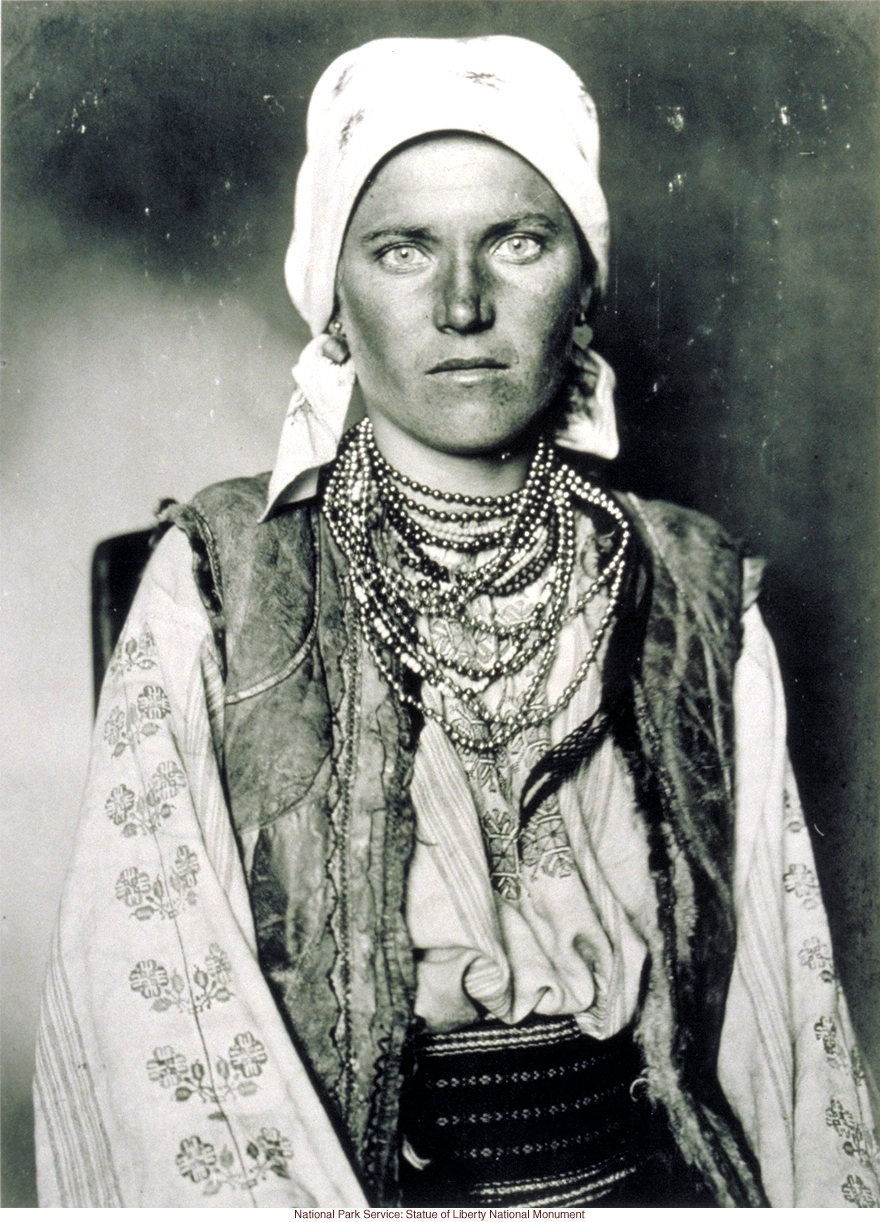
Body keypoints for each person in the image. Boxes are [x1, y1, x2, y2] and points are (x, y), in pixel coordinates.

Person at [35, 35, 879, 1208]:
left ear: (583, 287)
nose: (465, 304)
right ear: (333, 300)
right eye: (401, 251)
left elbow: (782, 1036)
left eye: (516, 242)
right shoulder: (220, 583)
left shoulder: (689, 592)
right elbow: (153, 1030)